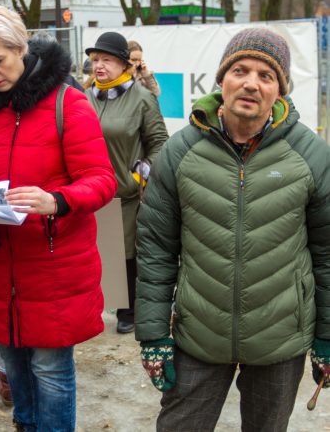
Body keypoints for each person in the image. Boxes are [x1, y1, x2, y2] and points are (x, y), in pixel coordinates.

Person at [135, 27, 330, 431]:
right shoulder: (181, 150)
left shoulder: (311, 155)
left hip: (280, 337)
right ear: (221, 79)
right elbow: (155, 248)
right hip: (198, 335)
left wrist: (327, 335)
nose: (251, 84)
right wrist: (153, 334)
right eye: (240, 70)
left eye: (266, 75)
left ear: (281, 90)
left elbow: (327, 254)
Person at [0, 3, 117, 431]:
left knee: (51, 369)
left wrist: (55, 200)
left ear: (20, 47)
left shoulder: (67, 103)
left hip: (55, 265)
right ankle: (24, 423)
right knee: (13, 363)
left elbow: (101, 179)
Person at [84, 31, 168, 334]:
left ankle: (128, 309)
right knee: (91, 252)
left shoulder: (142, 98)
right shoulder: (85, 97)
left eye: (107, 59)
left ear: (124, 64)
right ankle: (95, 306)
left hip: (126, 194)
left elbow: (160, 143)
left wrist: (138, 175)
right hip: (88, 193)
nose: (99, 66)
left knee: (125, 255)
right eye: (95, 60)